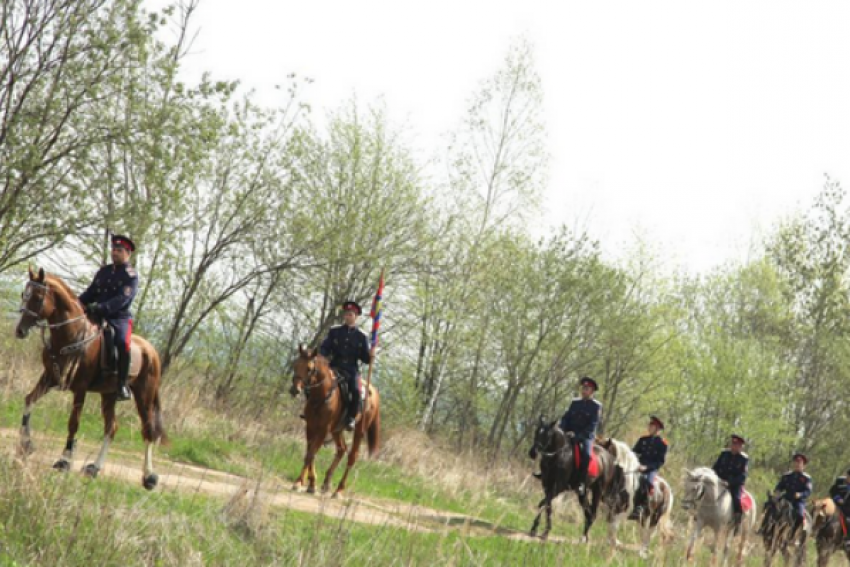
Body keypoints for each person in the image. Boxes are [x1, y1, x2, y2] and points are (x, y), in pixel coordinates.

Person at [78, 234, 138, 401]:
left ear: (127, 253)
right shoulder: (104, 272)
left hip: (118, 318)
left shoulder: (130, 276)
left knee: (122, 343)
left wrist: (101, 307)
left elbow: (122, 299)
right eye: (113, 250)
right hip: (96, 315)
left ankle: (122, 385)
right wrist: (77, 304)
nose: (114, 253)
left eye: (119, 250)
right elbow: (91, 292)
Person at [319, 301, 375, 431]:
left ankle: (350, 418)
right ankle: (311, 410)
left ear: (356, 317)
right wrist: (322, 355)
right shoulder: (335, 331)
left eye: (350, 314)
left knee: (356, 390)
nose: (347, 316)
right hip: (334, 366)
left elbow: (365, 359)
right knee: (317, 382)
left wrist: (371, 355)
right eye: (346, 314)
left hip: (351, 370)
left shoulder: (361, 336)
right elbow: (325, 347)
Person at [557, 377, 602, 496]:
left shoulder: (596, 406)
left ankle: (581, 482)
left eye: (586, 389)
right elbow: (566, 418)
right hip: (569, 433)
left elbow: (592, 425)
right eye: (583, 388)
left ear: (592, 391)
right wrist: (562, 428)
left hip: (585, 437)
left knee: (586, 455)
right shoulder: (575, 402)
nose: (584, 391)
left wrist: (578, 435)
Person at [628, 415, 668, 521]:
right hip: (638, 466)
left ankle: (641, 506)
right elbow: (634, 452)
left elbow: (660, 461)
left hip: (650, 469)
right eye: (649, 425)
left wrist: (646, 467)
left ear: (657, 429)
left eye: (652, 426)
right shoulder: (642, 439)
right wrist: (634, 463)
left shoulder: (662, 443)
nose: (649, 427)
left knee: (647, 482)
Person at [712, 434, 749, 533]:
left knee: (737, 500)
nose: (734, 446)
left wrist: (730, 482)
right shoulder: (724, 454)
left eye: (737, 445)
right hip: (719, 481)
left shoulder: (743, 459)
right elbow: (715, 467)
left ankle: (737, 522)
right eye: (733, 444)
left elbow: (743, 476)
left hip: (734, 485)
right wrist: (715, 478)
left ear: (741, 447)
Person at [772, 453, 812, 536]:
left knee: (800, 515)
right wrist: (777, 492)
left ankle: (792, 534)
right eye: (796, 462)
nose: (797, 464)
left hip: (798, 501)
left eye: (799, 463)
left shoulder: (806, 478)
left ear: (803, 465)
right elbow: (780, 486)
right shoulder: (787, 476)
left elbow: (808, 491)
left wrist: (800, 495)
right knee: (771, 506)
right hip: (786, 498)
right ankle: (766, 528)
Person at [829, 467, 850, 551]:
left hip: (848, 509)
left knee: (848, 520)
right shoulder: (840, 481)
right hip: (836, 506)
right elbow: (832, 491)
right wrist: (837, 499)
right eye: (848, 475)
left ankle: (848, 540)